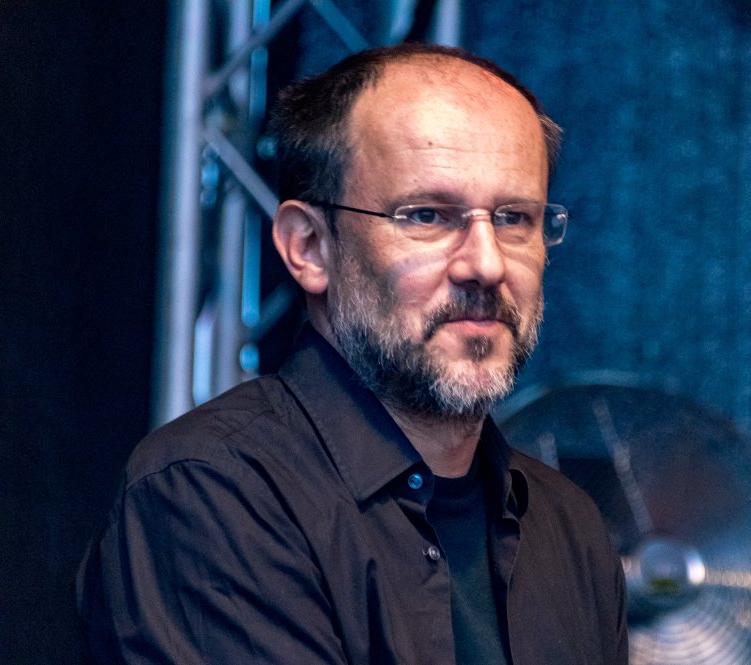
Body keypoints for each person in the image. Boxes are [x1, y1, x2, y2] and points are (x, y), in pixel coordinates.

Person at [77, 43, 627, 664]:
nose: (486, 263)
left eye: (513, 219)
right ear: (310, 247)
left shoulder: (570, 530)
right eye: (427, 215)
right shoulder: (209, 493)